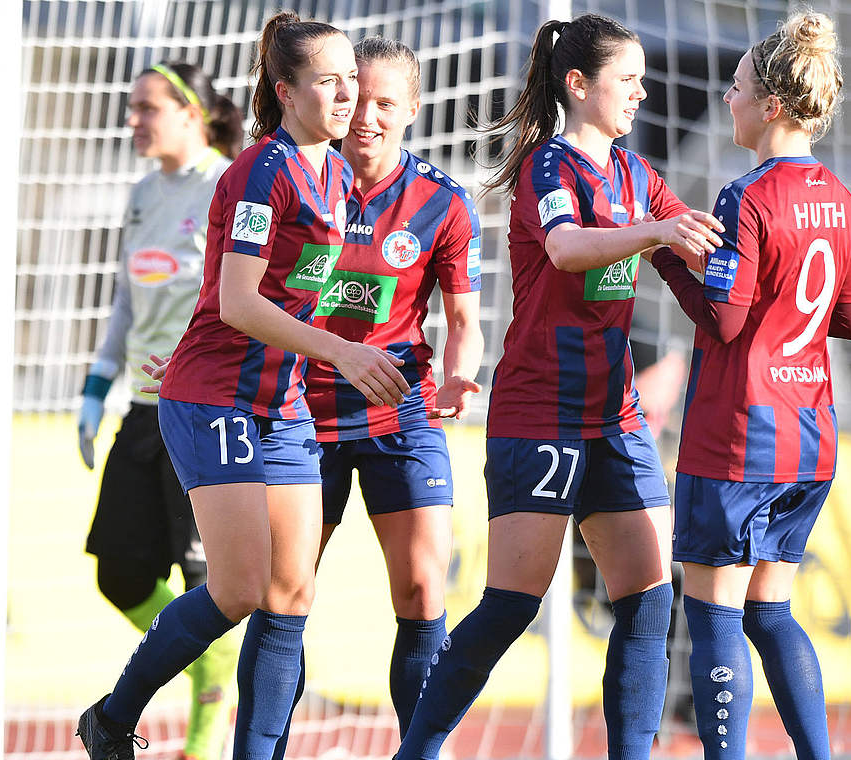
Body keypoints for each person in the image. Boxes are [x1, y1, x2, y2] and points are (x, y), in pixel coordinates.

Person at [76, 13, 409, 760]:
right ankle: (112, 715)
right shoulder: (263, 168)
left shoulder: (336, 173)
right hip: (218, 398)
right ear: (285, 92)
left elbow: (282, 296)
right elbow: (238, 300)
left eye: (353, 79)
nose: (350, 95)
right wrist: (340, 354)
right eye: (330, 82)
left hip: (278, 401)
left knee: (292, 595)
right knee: (236, 591)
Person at [395, 14, 729, 760]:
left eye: (645, 80)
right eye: (629, 80)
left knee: (648, 599)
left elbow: (699, 271)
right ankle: (413, 753)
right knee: (510, 606)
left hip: (617, 417)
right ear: (578, 85)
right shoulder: (550, 165)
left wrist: (823, 242)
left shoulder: (639, 178)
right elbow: (567, 247)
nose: (643, 93)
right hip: (539, 411)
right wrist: (656, 233)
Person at [646, 11, 851, 759]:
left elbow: (724, 321)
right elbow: (849, 322)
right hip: (810, 436)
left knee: (715, 617)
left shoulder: (744, 196)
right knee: (770, 612)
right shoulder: (842, 203)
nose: (726, 98)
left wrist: (663, 255)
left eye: (738, 86)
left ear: (771, 105)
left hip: (738, 434)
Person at [283, 35, 487, 745]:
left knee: (424, 591)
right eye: (351, 95)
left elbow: (465, 322)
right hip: (296, 415)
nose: (363, 114)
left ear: (412, 110)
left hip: (400, 412)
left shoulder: (444, 202)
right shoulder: (294, 180)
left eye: (383, 102)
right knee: (285, 600)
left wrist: (463, 370)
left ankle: (420, 751)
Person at [77, 60, 244, 760]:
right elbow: (125, 296)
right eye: (131, 107)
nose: (133, 120)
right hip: (144, 411)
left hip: (206, 410)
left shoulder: (227, 188)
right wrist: (98, 379)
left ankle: (205, 742)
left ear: (190, 114)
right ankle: (206, 659)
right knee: (117, 570)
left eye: (147, 107)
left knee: (206, 583)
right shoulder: (144, 192)